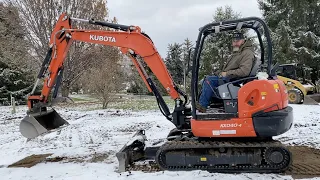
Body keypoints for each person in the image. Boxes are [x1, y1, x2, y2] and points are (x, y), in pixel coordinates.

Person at [196, 32, 255, 113]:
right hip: (230, 78)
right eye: (234, 41)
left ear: (243, 41)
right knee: (203, 81)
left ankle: (202, 107)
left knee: (208, 80)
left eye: (237, 41)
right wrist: (220, 72)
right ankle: (209, 104)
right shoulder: (238, 52)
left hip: (234, 79)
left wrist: (226, 73)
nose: (235, 43)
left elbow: (244, 71)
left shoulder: (246, 53)